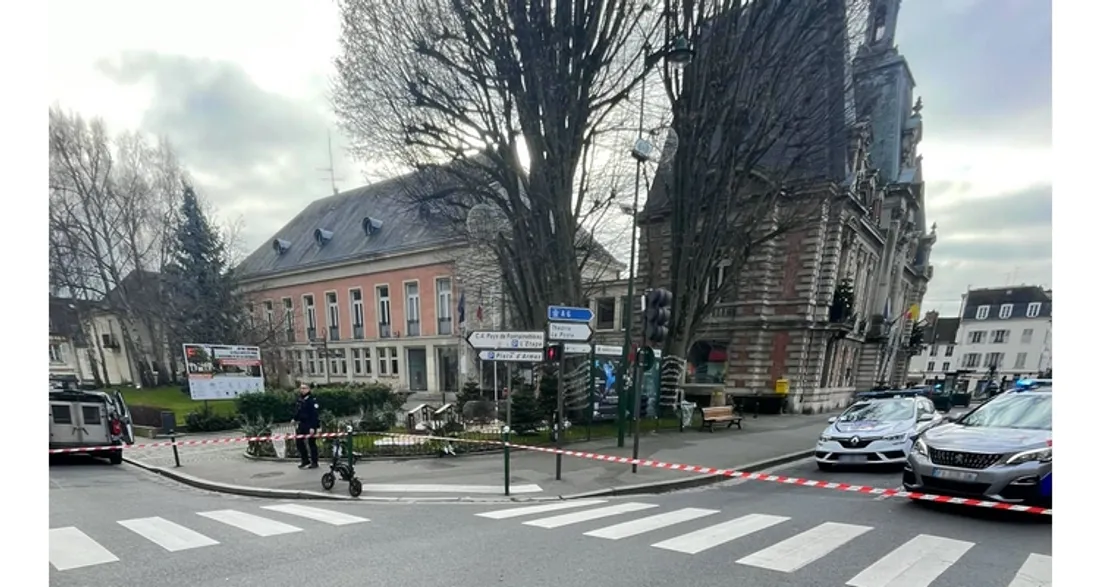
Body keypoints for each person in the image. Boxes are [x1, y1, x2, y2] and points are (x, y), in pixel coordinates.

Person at [292, 383, 320, 469]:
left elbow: (314, 414)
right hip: (302, 424)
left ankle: (314, 462)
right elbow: (298, 410)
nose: (302, 390)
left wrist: (312, 427)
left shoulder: (312, 400)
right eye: (301, 388)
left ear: (308, 389)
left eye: (304, 388)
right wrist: (294, 418)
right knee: (299, 442)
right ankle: (305, 460)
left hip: (310, 424)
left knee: (312, 443)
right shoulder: (300, 399)